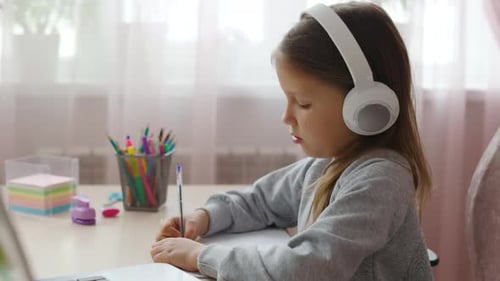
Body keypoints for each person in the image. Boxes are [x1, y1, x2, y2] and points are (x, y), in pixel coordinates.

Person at [150, 2, 434, 280]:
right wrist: (204, 218)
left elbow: (304, 268)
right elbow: (260, 201)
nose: (286, 116)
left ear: (365, 107)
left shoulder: (381, 181)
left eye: (302, 103)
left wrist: (199, 257)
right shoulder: (324, 167)